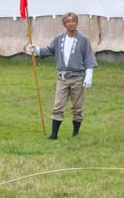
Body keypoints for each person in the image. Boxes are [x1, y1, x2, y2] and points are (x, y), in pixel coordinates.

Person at [25, 12, 97, 140]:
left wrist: (88, 76)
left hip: (78, 77)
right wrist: (36, 50)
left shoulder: (84, 40)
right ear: (64, 24)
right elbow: (49, 50)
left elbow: (89, 58)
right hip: (62, 78)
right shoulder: (59, 39)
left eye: (73, 21)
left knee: (77, 106)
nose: (71, 23)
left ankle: (75, 134)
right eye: (68, 22)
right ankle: (54, 134)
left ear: (77, 23)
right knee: (58, 105)